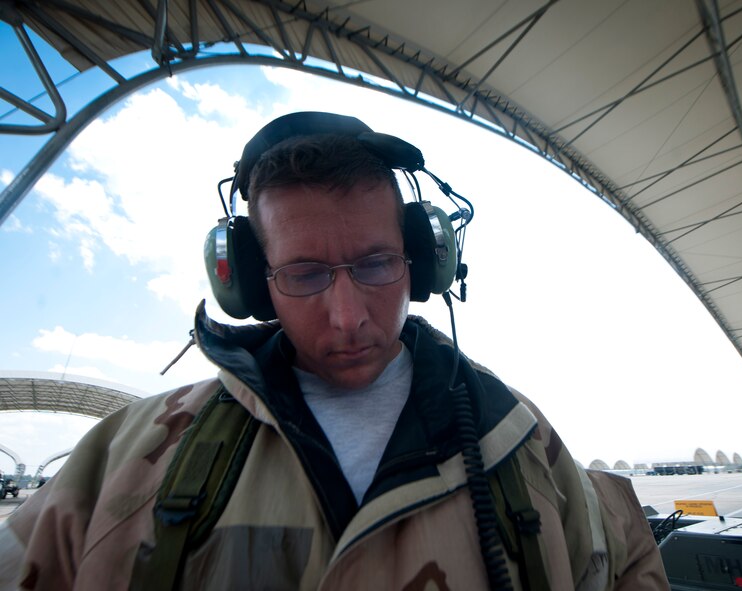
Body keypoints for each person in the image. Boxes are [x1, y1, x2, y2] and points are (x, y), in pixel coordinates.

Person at [0, 112, 668, 590]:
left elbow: (626, 562)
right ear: (250, 283)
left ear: (424, 259)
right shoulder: (125, 460)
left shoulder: (517, 437)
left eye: (377, 263)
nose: (347, 317)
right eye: (304, 273)